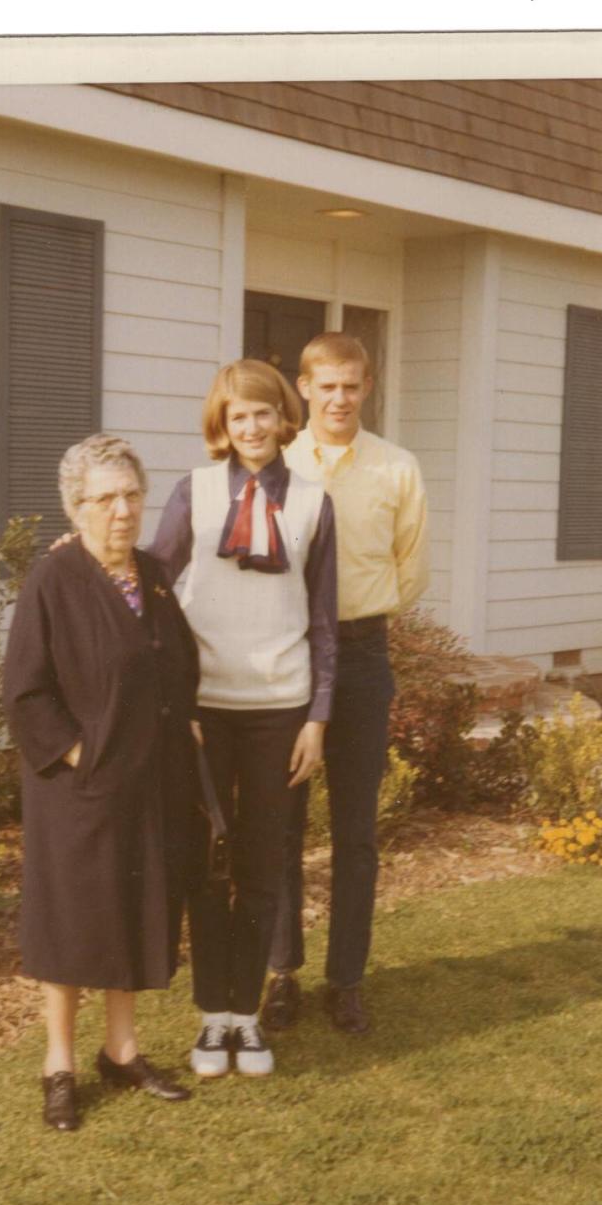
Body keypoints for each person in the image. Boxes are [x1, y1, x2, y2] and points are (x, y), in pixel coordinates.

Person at [3, 435, 197, 1131]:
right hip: (77, 790)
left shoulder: (153, 573)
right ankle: (58, 1064)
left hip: (146, 782)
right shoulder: (52, 580)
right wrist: (83, 755)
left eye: (131, 495)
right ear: (76, 507)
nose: (122, 510)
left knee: (132, 910)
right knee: (72, 921)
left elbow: (174, 663)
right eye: (105, 498)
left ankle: (122, 1050)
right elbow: (25, 691)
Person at [150, 359, 337, 1079]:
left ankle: (249, 1017)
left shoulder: (315, 503)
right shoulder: (193, 494)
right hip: (204, 715)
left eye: (262, 413)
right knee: (202, 869)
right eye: (238, 417)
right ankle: (211, 1018)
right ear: (221, 428)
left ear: (283, 417)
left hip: (280, 713)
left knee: (264, 865)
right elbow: (151, 584)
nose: (252, 427)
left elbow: (323, 621)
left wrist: (317, 718)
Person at [261, 333, 429, 1036]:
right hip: (287, 658)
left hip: (361, 657)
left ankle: (346, 980)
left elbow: (410, 570)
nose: (339, 398)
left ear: (367, 387)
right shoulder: (274, 464)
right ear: (304, 388)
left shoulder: (396, 468)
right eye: (326, 385)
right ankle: (281, 975)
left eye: (351, 386)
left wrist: (357, 622)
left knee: (357, 830)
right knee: (281, 828)